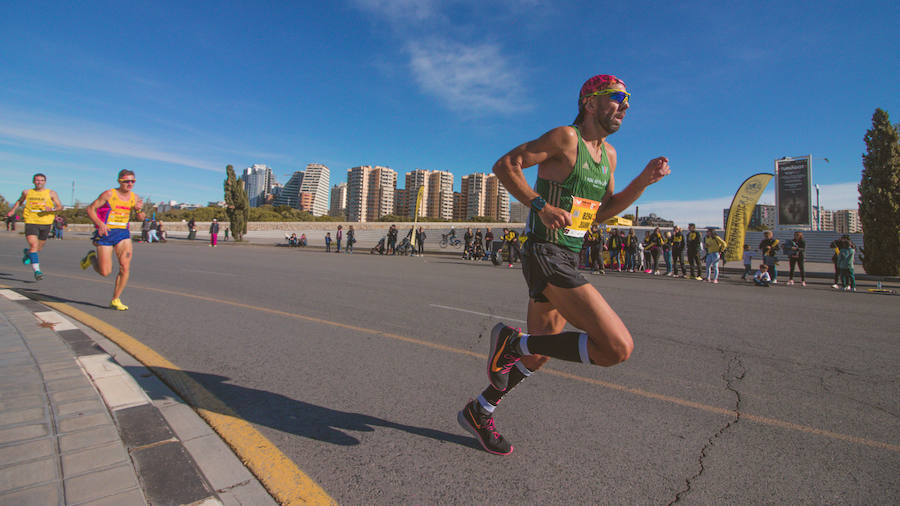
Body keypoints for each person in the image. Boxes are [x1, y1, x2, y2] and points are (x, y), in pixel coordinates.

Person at [458, 74, 669, 455]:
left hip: (568, 254)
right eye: (617, 97)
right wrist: (540, 205)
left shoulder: (609, 155)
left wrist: (642, 182)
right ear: (590, 103)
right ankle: (512, 341)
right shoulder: (565, 138)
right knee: (617, 347)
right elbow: (506, 165)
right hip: (545, 252)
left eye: (628, 100)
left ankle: (480, 409)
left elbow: (602, 212)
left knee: (537, 354)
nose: (625, 105)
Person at [80, 170, 145, 310]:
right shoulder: (109, 194)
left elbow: (141, 218)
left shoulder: (135, 197)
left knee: (125, 266)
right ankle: (91, 258)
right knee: (105, 272)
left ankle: (115, 299)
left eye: (132, 181)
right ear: (119, 181)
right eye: (126, 181)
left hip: (123, 233)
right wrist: (100, 223)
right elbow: (90, 209)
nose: (130, 184)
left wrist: (139, 210)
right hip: (106, 233)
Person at [7, 173, 64, 280]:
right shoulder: (27, 192)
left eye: (41, 180)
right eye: (37, 180)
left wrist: (51, 209)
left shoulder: (51, 193)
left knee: (38, 248)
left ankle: (28, 253)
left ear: (45, 182)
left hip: (46, 222)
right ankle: (37, 271)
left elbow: (60, 206)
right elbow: (20, 201)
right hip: (31, 221)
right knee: (34, 245)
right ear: (33, 181)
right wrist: (13, 210)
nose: (39, 182)